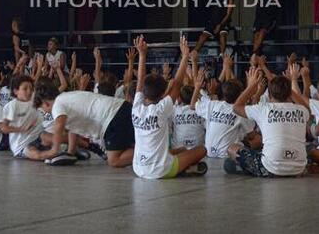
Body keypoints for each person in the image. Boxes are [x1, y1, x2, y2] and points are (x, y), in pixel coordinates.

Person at [132, 35, 207, 179]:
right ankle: (185, 169)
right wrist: (185, 57)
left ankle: (185, 167)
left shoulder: (136, 107)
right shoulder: (161, 109)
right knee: (202, 150)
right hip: (161, 170)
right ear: (162, 95)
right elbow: (177, 84)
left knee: (183, 149)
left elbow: (140, 81)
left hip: (138, 168)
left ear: (144, 93)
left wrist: (142, 55)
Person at [34, 71, 135, 168]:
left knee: (114, 160)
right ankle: (146, 149)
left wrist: (53, 150)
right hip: (120, 109)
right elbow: (73, 129)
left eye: (43, 109)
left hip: (113, 117)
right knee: (133, 142)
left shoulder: (57, 104)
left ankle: (149, 153)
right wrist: (70, 152)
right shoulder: (66, 98)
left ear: (45, 103)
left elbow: (59, 125)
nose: (46, 112)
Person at [226, 64, 310, 177]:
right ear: (290, 94)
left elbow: (236, 107)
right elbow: (308, 109)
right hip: (299, 168)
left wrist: (251, 86)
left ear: (269, 96)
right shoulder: (302, 110)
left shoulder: (264, 109)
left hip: (271, 168)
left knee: (232, 149)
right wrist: (289, 86)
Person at [191, 63, 255, 159]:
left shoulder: (213, 104)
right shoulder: (241, 111)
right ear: (240, 94)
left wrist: (196, 87)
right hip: (228, 155)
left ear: (223, 93)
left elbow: (192, 106)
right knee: (257, 138)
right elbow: (251, 135)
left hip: (209, 153)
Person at [1, 75, 54, 160]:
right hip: (22, 144)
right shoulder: (12, 106)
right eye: (25, 89)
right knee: (37, 155)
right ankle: (55, 155)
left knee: (57, 137)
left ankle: (71, 150)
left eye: (31, 89)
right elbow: (4, 128)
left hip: (38, 136)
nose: (29, 91)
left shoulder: (34, 99)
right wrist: (20, 129)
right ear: (15, 91)